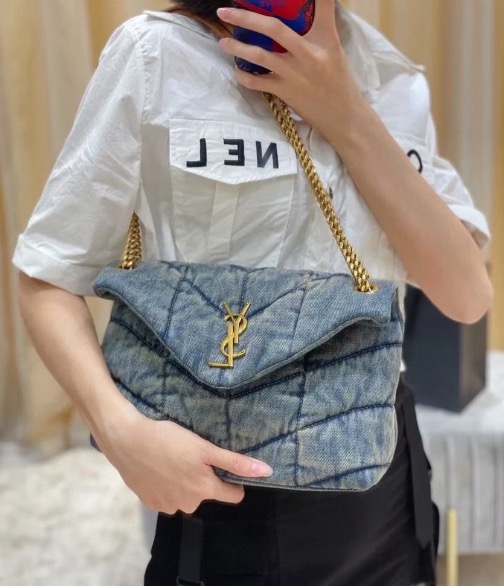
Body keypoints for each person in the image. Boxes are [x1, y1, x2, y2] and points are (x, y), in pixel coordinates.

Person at [13, 1, 492, 584]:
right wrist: (119, 432)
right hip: (219, 496)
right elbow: (47, 274)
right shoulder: (157, 54)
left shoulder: (391, 77)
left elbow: (465, 295)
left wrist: (347, 114)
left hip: (381, 481)